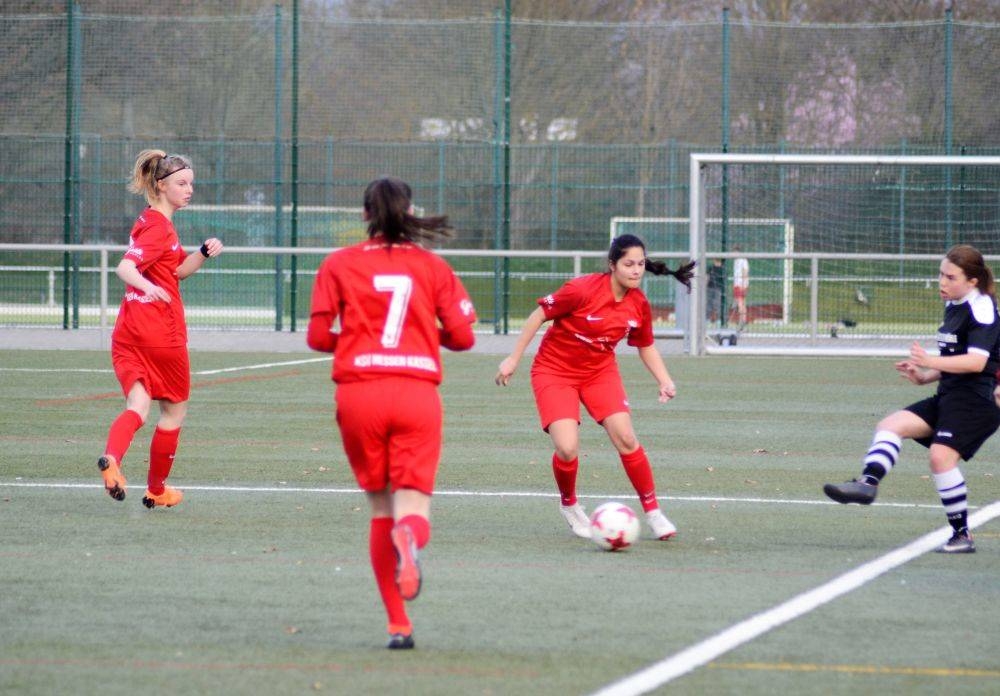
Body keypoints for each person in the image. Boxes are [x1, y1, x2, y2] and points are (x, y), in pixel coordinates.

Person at [307, 176, 477, 650]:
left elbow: (317, 338)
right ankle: (410, 537)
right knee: (412, 508)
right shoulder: (432, 265)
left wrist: (359, 344)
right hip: (415, 393)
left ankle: (399, 625)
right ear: (410, 212)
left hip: (359, 394)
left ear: (365, 215)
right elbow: (464, 338)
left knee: (380, 509)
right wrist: (420, 336)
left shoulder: (338, 263)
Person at [494, 234, 695, 541]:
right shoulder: (581, 290)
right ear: (612, 265)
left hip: (599, 373)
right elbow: (539, 315)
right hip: (554, 371)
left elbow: (645, 345)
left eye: (640, 264)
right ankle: (570, 505)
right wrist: (513, 358)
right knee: (567, 447)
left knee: (626, 437)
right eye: (628, 264)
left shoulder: (638, 304)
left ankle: (654, 512)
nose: (636, 270)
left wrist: (664, 380)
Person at [823, 244, 1000, 554]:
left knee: (941, 458)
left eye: (951, 277)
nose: (942, 282)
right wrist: (924, 376)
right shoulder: (955, 303)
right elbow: (955, 360)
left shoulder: (981, 307)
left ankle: (961, 536)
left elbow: (976, 363)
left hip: (977, 402)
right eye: (941, 275)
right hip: (951, 395)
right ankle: (867, 484)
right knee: (891, 425)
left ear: (972, 281)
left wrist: (930, 361)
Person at [97, 149, 223, 509]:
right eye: (182, 183)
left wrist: (202, 253)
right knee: (173, 412)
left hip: (127, 334)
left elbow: (177, 271)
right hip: (161, 336)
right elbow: (125, 268)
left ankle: (112, 459)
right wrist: (147, 286)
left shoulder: (150, 222)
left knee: (137, 406)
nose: (189, 190)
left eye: (191, 184)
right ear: (161, 185)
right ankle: (155, 489)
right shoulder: (158, 227)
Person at [731, 248, 749, 329]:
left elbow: (745, 272)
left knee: (740, 303)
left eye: (734, 253)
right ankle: (742, 320)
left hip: (741, 284)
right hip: (737, 284)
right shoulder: (735, 261)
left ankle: (742, 321)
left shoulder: (743, 260)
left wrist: (743, 284)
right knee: (741, 303)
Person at [706, 257, 725, 326]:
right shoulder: (711, 268)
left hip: (718, 289)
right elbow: (707, 277)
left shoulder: (722, 269)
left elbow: (724, 280)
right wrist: (705, 285)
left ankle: (718, 321)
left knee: (717, 304)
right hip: (710, 287)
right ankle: (707, 320)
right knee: (709, 304)